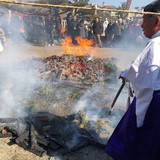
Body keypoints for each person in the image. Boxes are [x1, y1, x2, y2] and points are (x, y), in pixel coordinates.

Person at [105, 1, 160, 160]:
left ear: (156, 21)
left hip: (153, 102)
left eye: (144, 20)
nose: (141, 25)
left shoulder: (156, 44)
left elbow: (144, 76)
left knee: (137, 136)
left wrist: (126, 75)